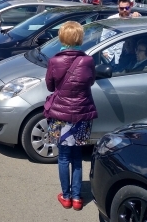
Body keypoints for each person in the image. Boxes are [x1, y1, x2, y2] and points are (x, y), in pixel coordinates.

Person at [43, 21, 97, 211]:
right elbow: (90, 81)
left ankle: (65, 196)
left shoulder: (54, 61)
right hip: (82, 114)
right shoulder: (88, 61)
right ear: (80, 38)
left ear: (62, 38)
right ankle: (77, 198)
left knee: (63, 156)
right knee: (77, 156)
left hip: (60, 115)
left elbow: (50, 86)